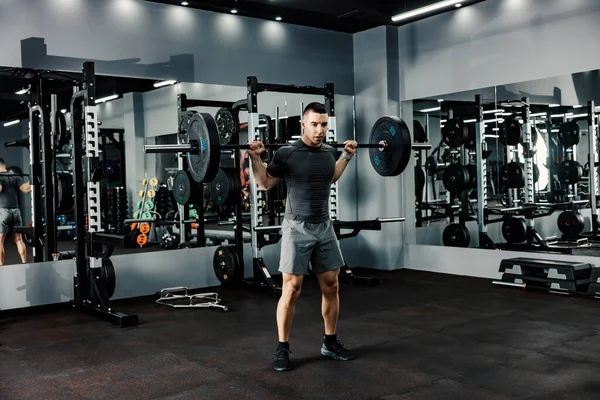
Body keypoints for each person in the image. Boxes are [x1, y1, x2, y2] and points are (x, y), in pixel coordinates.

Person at [247, 102, 358, 372]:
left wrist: (346, 156)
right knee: (292, 288)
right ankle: (282, 346)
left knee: (331, 286)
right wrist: (255, 158)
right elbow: (264, 183)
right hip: (296, 227)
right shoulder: (287, 153)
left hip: (324, 225)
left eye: (324, 125)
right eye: (314, 124)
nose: (320, 130)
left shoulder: (329, 151)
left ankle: (329, 343)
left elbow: (331, 176)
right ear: (303, 125)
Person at [0, 159, 31, 265]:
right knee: (19, 239)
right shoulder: (15, 176)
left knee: (0, 241)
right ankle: (24, 263)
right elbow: (26, 190)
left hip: (3, 210)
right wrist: (31, 180)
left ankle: (1, 267)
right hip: (16, 211)